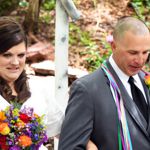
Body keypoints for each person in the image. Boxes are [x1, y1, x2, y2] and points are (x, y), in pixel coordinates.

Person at [0, 16, 97, 150]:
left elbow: (63, 129)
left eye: (21, 55)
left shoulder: (37, 88)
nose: (16, 62)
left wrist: (90, 146)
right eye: (7, 55)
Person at [58, 16, 150, 150]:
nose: (140, 60)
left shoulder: (145, 79)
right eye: (133, 53)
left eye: (145, 52)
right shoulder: (87, 90)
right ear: (113, 46)